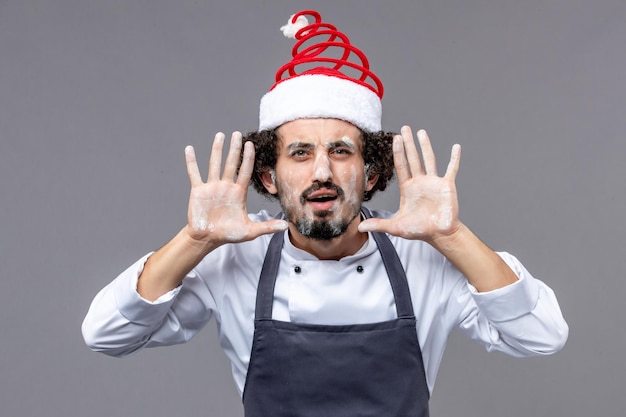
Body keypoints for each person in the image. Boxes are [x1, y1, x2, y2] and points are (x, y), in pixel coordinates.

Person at [82, 10, 568, 417]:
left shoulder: (426, 261)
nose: (322, 171)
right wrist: (195, 241)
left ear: (373, 172)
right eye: (299, 153)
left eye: (340, 151)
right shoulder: (233, 262)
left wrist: (452, 235)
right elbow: (105, 334)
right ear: (269, 178)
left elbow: (542, 336)